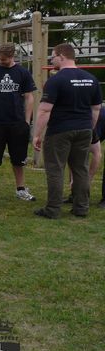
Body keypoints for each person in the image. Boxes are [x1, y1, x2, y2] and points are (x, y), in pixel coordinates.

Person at [32, 43, 102, 219]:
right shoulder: (91, 79)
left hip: (60, 130)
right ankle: (81, 207)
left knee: (55, 169)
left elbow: (44, 110)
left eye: (53, 57)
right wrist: (90, 128)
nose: (51, 61)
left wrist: (37, 134)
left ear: (62, 56)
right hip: (84, 129)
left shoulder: (56, 81)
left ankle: (53, 209)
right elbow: (95, 109)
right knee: (80, 169)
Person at [0, 43, 37, 203]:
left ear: (12, 57)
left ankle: (21, 189)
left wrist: (27, 121)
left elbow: (29, 97)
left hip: (17, 123)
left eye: (3, 59)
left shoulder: (23, 73)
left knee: (19, 159)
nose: (0, 61)